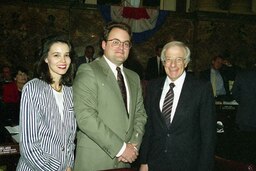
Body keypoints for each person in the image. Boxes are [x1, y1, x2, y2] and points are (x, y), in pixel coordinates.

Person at [73, 21, 147, 171]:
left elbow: (140, 115)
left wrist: (133, 145)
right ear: (103, 45)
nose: (121, 47)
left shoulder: (134, 77)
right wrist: (121, 148)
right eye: (116, 42)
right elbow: (85, 117)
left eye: (126, 44)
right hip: (95, 160)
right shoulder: (88, 70)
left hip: (125, 161)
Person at [139, 41, 216, 171]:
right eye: (168, 59)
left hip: (188, 164)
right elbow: (149, 127)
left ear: (186, 63)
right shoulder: (153, 87)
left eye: (178, 59)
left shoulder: (201, 88)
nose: (173, 65)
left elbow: (208, 135)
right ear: (163, 62)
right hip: (155, 162)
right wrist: (144, 161)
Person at [17, 35, 77, 171]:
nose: (63, 60)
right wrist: (57, 168)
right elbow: (29, 147)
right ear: (46, 58)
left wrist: (69, 165)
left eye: (66, 55)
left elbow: (70, 141)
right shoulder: (33, 88)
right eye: (56, 55)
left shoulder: (70, 91)